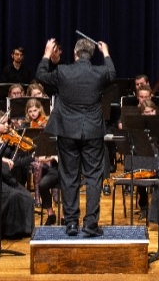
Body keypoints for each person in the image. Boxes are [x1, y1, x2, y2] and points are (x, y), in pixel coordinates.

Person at [34, 37, 116, 237]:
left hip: (67, 131)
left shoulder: (63, 71)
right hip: (92, 132)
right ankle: (90, 224)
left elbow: (41, 75)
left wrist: (46, 54)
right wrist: (106, 53)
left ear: (74, 53)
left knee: (69, 176)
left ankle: (71, 223)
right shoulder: (99, 72)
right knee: (94, 177)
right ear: (92, 54)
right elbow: (112, 73)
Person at [0, 110, 37, 239]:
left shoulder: (10, 140)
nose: (7, 126)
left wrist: (32, 157)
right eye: (4, 123)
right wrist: (2, 159)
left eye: (7, 123)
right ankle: (4, 231)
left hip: (8, 178)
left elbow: (16, 162)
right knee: (12, 196)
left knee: (28, 197)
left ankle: (24, 230)